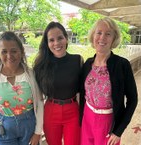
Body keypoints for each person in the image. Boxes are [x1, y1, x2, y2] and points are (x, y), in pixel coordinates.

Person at [0, 31, 44, 145]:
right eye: (4, 52)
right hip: (4, 128)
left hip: (29, 126)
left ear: (21, 52)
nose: (9, 56)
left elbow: (40, 103)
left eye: (14, 51)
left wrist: (37, 132)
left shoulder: (31, 74)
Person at [80, 17, 138, 145]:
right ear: (93, 36)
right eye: (99, 33)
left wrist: (119, 131)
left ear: (113, 39)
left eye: (108, 34)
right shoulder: (87, 64)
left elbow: (133, 99)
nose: (102, 38)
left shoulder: (122, 64)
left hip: (108, 121)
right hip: (87, 117)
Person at [33, 21, 83, 145]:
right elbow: (37, 97)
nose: (56, 43)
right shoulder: (40, 66)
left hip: (73, 111)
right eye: (51, 40)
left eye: (60, 38)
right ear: (47, 43)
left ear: (66, 38)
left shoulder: (77, 60)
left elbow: (83, 91)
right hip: (50, 111)